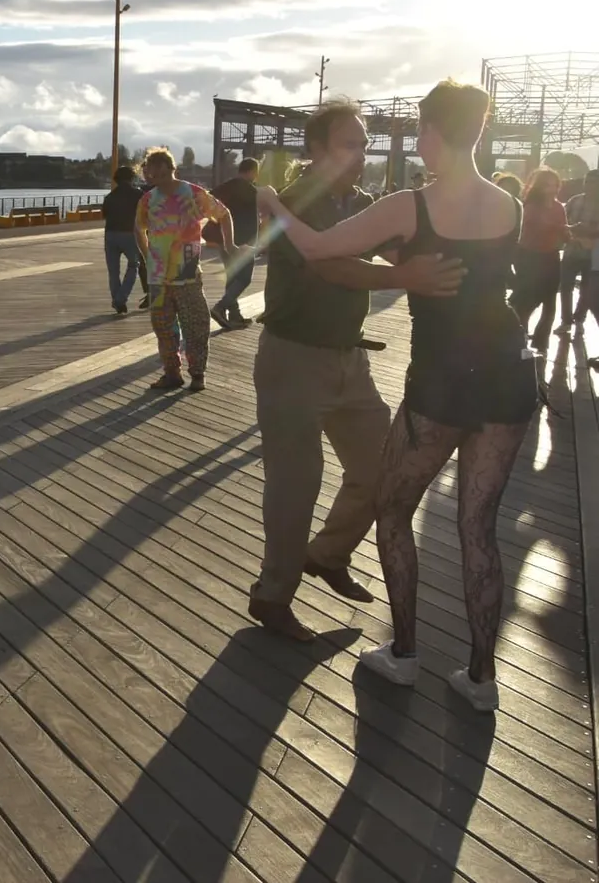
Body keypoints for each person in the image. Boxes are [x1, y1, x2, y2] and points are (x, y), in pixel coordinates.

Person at [260, 80, 535, 712]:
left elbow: (318, 249)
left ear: (433, 133)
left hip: (443, 381)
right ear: (483, 129)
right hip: (509, 376)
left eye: (419, 131)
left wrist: (273, 202)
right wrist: (400, 257)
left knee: (392, 509)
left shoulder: (412, 204)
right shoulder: (507, 205)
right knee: (478, 529)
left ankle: (404, 655)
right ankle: (481, 680)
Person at [247, 98, 465, 645]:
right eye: (350, 143)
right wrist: (407, 277)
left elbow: (399, 248)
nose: (362, 153)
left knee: (382, 470)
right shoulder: (293, 204)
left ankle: (327, 555)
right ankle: (272, 596)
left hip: (351, 360)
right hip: (292, 360)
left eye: (365, 143)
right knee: (296, 486)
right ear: (316, 148)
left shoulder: (367, 203)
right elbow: (332, 268)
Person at [134, 148, 239, 391]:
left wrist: (229, 243)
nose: (159, 179)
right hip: (158, 274)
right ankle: (172, 373)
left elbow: (224, 214)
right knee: (163, 326)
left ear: (172, 169)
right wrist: (147, 255)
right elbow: (138, 229)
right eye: (154, 175)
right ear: (149, 174)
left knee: (196, 323)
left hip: (187, 270)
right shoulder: (148, 199)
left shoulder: (192, 193)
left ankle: (198, 374)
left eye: (164, 173)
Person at [509, 167, 568, 345]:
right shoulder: (530, 205)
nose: (551, 189)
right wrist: (561, 229)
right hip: (528, 256)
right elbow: (538, 224)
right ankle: (519, 336)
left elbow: (564, 233)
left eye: (554, 185)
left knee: (550, 301)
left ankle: (541, 341)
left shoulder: (558, 207)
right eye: (547, 185)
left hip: (550, 256)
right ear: (539, 186)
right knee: (528, 299)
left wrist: (570, 234)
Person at [209, 157, 264, 329]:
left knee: (232, 277)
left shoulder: (223, 187)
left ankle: (234, 315)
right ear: (253, 171)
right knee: (244, 278)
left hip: (224, 239)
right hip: (244, 242)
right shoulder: (252, 190)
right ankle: (220, 307)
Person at [557, 170, 599, 338]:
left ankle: (579, 320)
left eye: (594, 182)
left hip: (593, 255)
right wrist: (571, 233)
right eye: (588, 182)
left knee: (587, 290)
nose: (590, 185)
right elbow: (563, 223)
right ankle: (566, 321)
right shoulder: (574, 201)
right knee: (565, 288)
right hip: (571, 251)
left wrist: (589, 232)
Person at [102, 165, 148, 314]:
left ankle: (117, 299)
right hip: (129, 234)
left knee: (113, 271)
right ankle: (120, 299)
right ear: (131, 178)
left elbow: (105, 215)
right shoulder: (138, 195)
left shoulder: (109, 197)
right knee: (134, 265)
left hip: (110, 235)